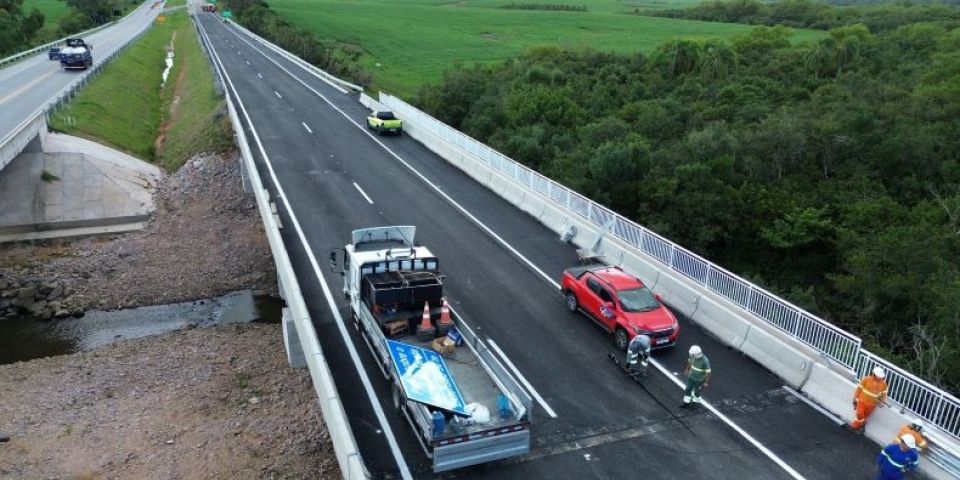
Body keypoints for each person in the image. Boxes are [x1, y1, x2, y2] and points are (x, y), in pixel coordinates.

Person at [849, 366, 888, 433]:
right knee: (859, 413)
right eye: (879, 376)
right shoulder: (866, 379)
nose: (881, 377)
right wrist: (855, 397)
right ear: (874, 374)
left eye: (881, 376)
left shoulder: (884, 384)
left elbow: (884, 394)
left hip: (872, 404)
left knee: (865, 416)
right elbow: (859, 388)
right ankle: (862, 425)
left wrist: (882, 402)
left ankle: (855, 426)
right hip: (862, 400)